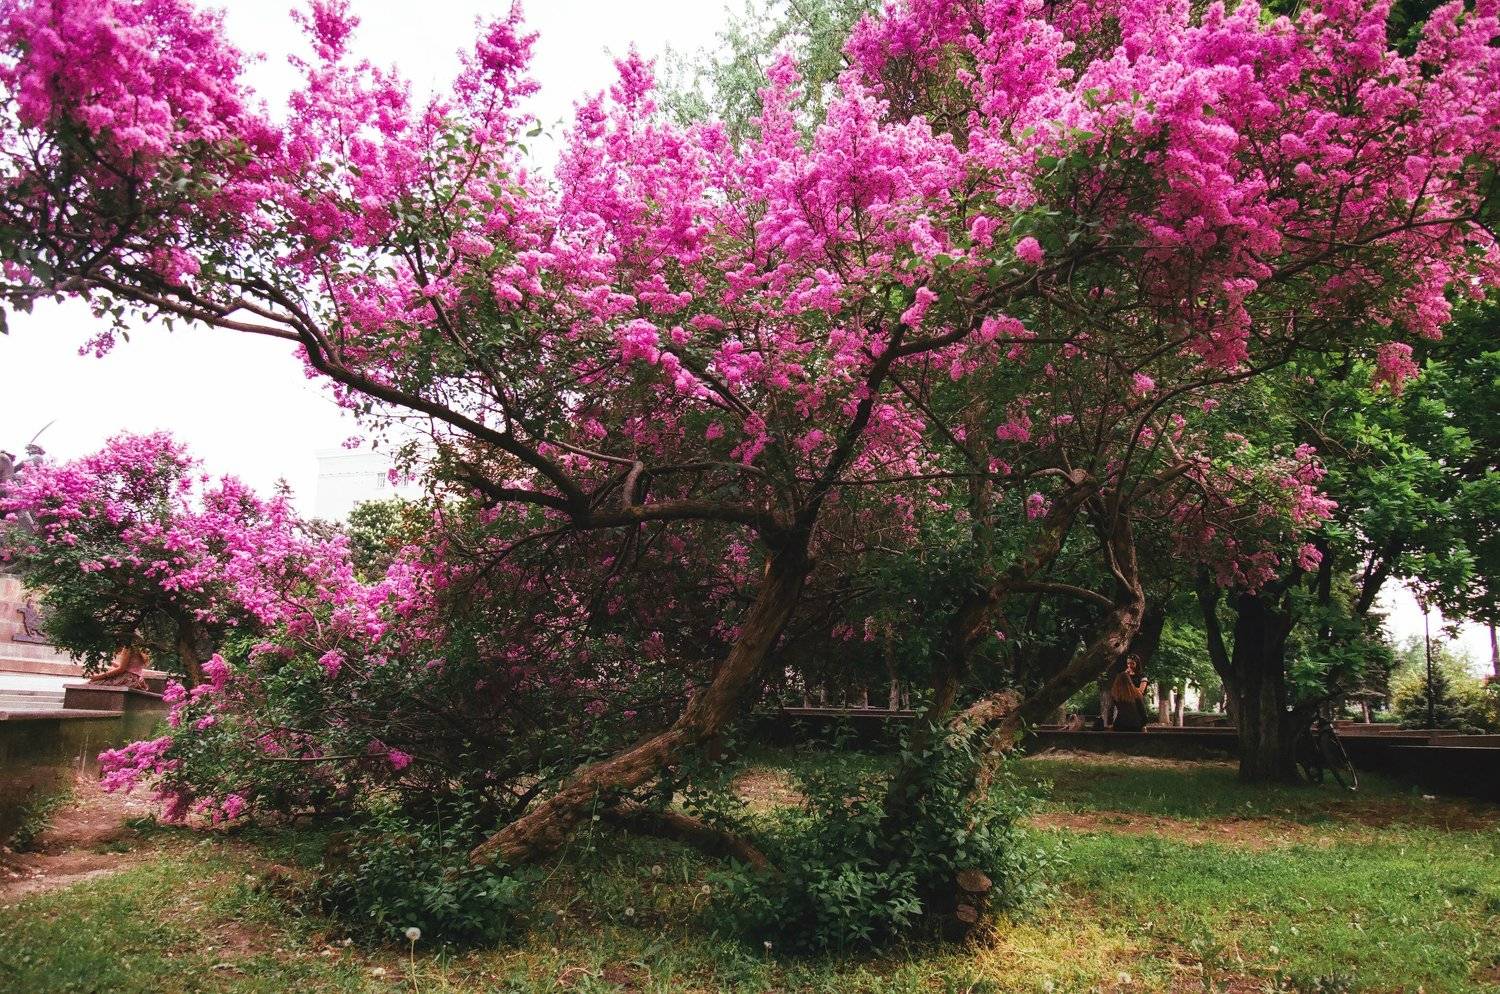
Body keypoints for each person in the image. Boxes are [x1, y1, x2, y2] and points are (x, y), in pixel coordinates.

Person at [1109, 654, 1149, 732]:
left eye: (1132, 663)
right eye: (1128, 663)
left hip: (1134, 702)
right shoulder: (1124, 675)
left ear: (1137, 664)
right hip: (1132, 720)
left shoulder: (1142, 676)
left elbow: (1141, 691)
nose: (1129, 665)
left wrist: (1128, 688)